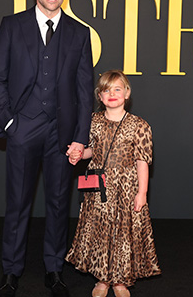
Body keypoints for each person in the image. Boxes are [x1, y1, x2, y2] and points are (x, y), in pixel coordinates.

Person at [0, 0, 94, 297]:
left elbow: (83, 90)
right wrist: (9, 123)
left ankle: (54, 269)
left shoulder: (79, 33)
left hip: (61, 134)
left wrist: (80, 138)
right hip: (23, 128)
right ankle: (11, 270)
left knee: (59, 203)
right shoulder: (12, 26)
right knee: (18, 203)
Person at [65, 70, 161, 297]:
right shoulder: (92, 121)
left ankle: (120, 281)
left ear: (127, 93)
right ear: (99, 96)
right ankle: (101, 280)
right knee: (99, 231)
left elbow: (142, 162)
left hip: (126, 189)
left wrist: (142, 192)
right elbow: (91, 151)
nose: (112, 94)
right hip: (98, 188)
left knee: (122, 234)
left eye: (118, 89)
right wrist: (79, 154)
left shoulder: (140, 125)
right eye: (106, 90)